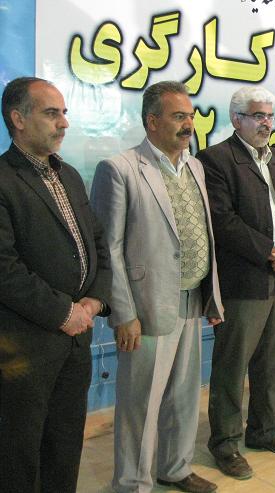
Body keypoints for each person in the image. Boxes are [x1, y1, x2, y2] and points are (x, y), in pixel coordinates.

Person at [90, 81, 223, 493]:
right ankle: (132, 483)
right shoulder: (120, 169)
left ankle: (175, 468)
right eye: (178, 116)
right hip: (146, 308)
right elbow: (109, 249)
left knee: (184, 395)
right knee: (141, 403)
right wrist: (123, 314)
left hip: (192, 300)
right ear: (152, 121)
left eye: (190, 116)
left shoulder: (195, 166)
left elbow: (203, 233)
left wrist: (212, 296)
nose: (189, 124)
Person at [0, 77, 111, 493]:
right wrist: (65, 313)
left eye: (64, 113)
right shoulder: (3, 179)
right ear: (18, 119)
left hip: (76, 340)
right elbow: (5, 269)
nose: (63, 122)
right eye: (51, 113)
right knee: (19, 451)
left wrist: (96, 300)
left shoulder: (69, 177)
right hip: (26, 344)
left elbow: (97, 244)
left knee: (65, 445)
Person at [196, 86, 275, 479]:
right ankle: (225, 444)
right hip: (244, 281)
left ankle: (263, 431)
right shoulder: (215, 160)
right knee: (232, 367)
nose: (266, 123)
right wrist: (271, 253)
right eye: (258, 115)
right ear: (236, 119)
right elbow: (222, 220)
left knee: (274, 363)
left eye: (270, 116)